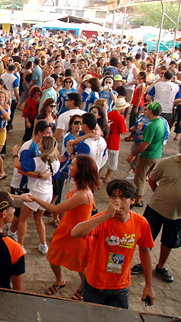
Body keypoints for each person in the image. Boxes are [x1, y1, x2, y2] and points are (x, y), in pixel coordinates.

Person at [71, 179, 155, 309]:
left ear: (132, 200)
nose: (117, 201)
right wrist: (106, 216)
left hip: (120, 287)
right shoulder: (102, 219)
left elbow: (144, 251)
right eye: (113, 197)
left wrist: (148, 286)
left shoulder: (141, 223)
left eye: (123, 197)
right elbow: (75, 233)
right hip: (94, 285)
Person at [26, 155, 99, 301]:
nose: (70, 167)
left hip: (78, 233)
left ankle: (83, 288)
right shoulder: (78, 186)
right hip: (66, 228)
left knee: (81, 266)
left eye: (73, 165)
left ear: (81, 170)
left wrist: (34, 198)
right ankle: (60, 280)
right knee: (54, 257)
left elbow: (55, 209)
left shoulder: (84, 194)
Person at [130, 152, 181, 283]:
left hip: (177, 214)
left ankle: (161, 266)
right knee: (147, 237)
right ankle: (143, 264)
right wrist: (161, 194)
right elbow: (152, 180)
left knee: (169, 241)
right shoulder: (166, 162)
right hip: (156, 208)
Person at [17, 136, 60, 255]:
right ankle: (43, 244)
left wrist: (15, 154)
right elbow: (55, 176)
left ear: (44, 147)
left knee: (23, 219)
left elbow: (19, 166)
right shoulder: (55, 161)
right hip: (48, 193)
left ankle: (20, 246)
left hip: (37, 192)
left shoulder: (38, 162)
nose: (38, 144)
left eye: (40, 143)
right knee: (38, 218)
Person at [127, 102, 168, 207]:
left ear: (151, 111)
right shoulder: (161, 122)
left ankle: (138, 199)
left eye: (147, 109)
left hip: (148, 155)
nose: (145, 110)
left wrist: (133, 154)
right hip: (157, 154)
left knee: (139, 177)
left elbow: (145, 144)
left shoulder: (152, 125)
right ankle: (140, 197)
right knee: (145, 176)